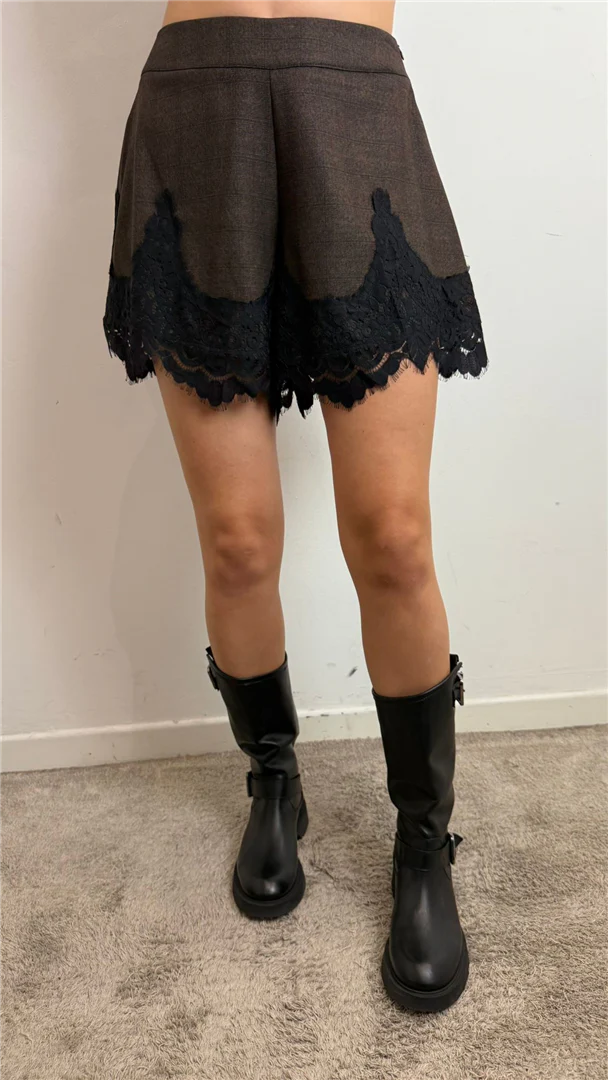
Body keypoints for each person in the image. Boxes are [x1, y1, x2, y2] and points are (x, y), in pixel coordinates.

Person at [103, 0, 488, 1013]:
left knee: (394, 535)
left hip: (352, 101)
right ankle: (273, 779)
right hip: (197, 109)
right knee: (235, 539)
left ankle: (422, 843)